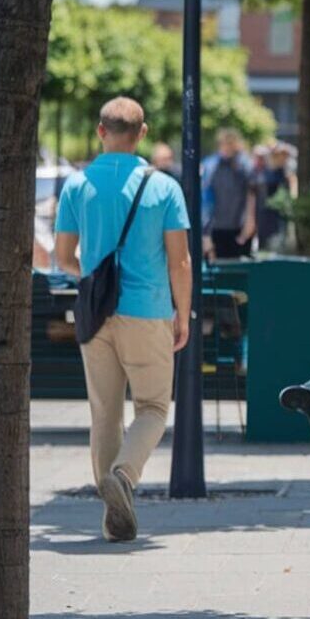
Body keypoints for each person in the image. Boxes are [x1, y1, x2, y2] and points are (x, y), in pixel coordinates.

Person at [54, 97, 193, 542]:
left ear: (100, 131)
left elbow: (62, 257)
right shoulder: (164, 187)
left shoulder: (77, 184)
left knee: (104, 414)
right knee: (152, 407)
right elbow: (180, 261)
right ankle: (125, 476)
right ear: (143, 133)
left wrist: (93, 276)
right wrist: (183, 313)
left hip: (95, 313)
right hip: (148, 310)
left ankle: (112, 516)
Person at [201, 128, 256, 260]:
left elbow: (252, 193)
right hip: (216, 229)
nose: (228, 147)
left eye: (231, 143)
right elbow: (204, 201)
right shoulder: (210, 166)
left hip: (239, 228)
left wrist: (250, 221)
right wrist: (205, 235)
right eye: (225, 143)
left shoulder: (244, 164)